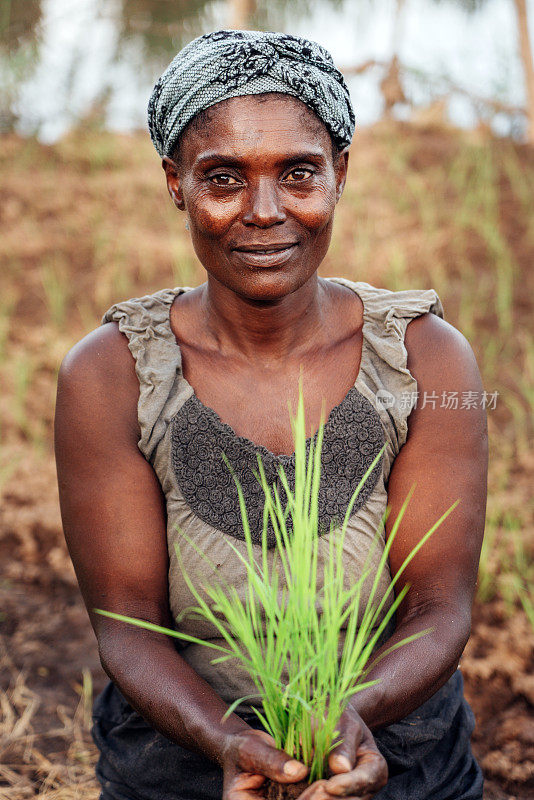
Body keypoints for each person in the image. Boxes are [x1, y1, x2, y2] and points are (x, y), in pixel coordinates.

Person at [54, 30, 488, 800]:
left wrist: (355, 715)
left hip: (400, 742)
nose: (264, 212)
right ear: (174, 183)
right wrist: (227, 739)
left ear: (340, 173)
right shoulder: (113, 373)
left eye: (298, 174)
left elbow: (439, 601)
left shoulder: (428, 358)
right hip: (180, 747)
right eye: (223, 178)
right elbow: (125, 620)